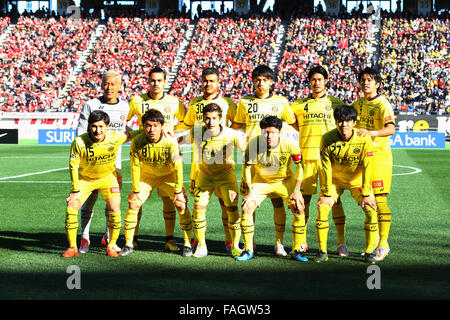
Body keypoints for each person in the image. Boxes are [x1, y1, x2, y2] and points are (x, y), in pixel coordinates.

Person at [231, 65, 297, 256]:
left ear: (271, 82)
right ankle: (250, 244)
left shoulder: (281, 102)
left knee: (278, 203)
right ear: (253, 81)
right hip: (252, 159)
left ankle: (279, 243)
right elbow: (235, 125)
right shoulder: (244, 103)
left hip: (276, 161)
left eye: (265, 80)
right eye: (257, 80)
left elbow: (294, 124)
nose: (261, 83)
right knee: (249, 203)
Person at [62, 110, 141, 258]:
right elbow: (73, 166)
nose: (97, 130)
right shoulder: (79, 142)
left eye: (101, 126)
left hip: (107, 178)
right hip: (85, 179)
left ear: (107, 126)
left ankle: (111, 245)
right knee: (72, 205)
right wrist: (74, 190)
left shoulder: (115, 137)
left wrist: (160, 129)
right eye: (93, 126)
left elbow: (134, 134)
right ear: (89, 126)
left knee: (115, 208)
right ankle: (72, 247)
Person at [290, 65, 348, 256]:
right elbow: (293, 123)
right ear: (309, 82)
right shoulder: (298, 104)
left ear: (326, 81)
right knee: (303, 202)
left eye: (320, 79)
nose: (316, 83)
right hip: (306, 160)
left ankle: (341, 243)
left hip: (329, 160)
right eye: (313, 79)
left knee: (334, 201)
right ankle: (301, 241)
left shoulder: (336, 103)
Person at [127, 66, 186, 253]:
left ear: (165, 82)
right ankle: (132, 240)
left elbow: (185, 123)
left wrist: (174, 134)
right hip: (145, 162)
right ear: (148, 81)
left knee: (170, 202)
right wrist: (137, 134)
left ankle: (170, 240)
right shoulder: (137, 101)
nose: (156, 84)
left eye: (159, 80)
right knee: (137, 201)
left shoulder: (175, 102)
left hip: (167, 159)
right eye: (153, 80)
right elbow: (124, 123)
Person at [120, 109, 193, 257]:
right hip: (147, 176)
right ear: (143, 126)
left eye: (155, 125)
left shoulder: (170, 141)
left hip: (168, 176)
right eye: (147, 125)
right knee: (134, 203)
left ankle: (186, 244)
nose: (151, 129)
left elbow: (178, 166)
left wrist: (178, 190)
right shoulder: (138, 141)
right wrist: (135, 189)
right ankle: (129, 244)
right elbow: (134, 166)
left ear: (161, 126)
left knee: (181, 204)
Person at [182, 67, 239, 253]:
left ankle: (230, 241)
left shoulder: (227, 103)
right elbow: (186, 125)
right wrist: (168, 130)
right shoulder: (193, 103)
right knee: (198, 205)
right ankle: (199, 242)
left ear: (218, 82)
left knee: (226, 204)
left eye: (212, 81)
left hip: (223, 164)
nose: (208, 84)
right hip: (199, 165)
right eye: (205, 80)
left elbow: (238, 124)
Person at [236, 116, 307, 262]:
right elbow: (247, 167)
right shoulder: (254, 143)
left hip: (284, 181)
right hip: (261, 182)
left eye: (272, 132)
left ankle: (296, 250)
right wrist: (249, 191)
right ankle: (248, 250)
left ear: (280, 132)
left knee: (299, 207)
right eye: (265, 132)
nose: (268, 136)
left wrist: (297, 189)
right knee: (246, 207)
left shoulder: (290, 144)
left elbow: (300, 166)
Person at [315, 104, 378, 264]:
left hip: (356, 181)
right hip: (334, 181)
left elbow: (368, 166)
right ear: (336, 122)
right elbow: (325, 167)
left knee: (371, 209)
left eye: (348, 121)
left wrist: (366, 193)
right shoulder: (327, 138)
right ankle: (323, 251)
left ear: (354, 122)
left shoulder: (364, 139)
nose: (344, 125)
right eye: (340, 121)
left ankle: (370, 251)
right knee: (322, 209)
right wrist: (326, 192)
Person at [76, 70, 129, 254]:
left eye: (113, 84)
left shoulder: (125, 107)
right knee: (88, 202)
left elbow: (125, 129)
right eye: (106, 83)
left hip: (115, 167)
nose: (109, 87)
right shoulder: (90, 105)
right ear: (101, 84)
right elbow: (81, 133)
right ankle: (84, 238)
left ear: (120, 86)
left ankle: (108, 237)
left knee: (112, 204)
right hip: (90, 167)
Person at [352, 67, 395, 261]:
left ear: (377, 83)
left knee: (380, 200)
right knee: (366, 201)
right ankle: (372, 243)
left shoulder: (383, 104)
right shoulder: (358, 103)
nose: (365, 83)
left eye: (370, 80)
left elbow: (391, 129)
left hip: (379, 158)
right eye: (362, 80)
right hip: (363, 158)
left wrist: (371, 133)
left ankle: (384, 244)